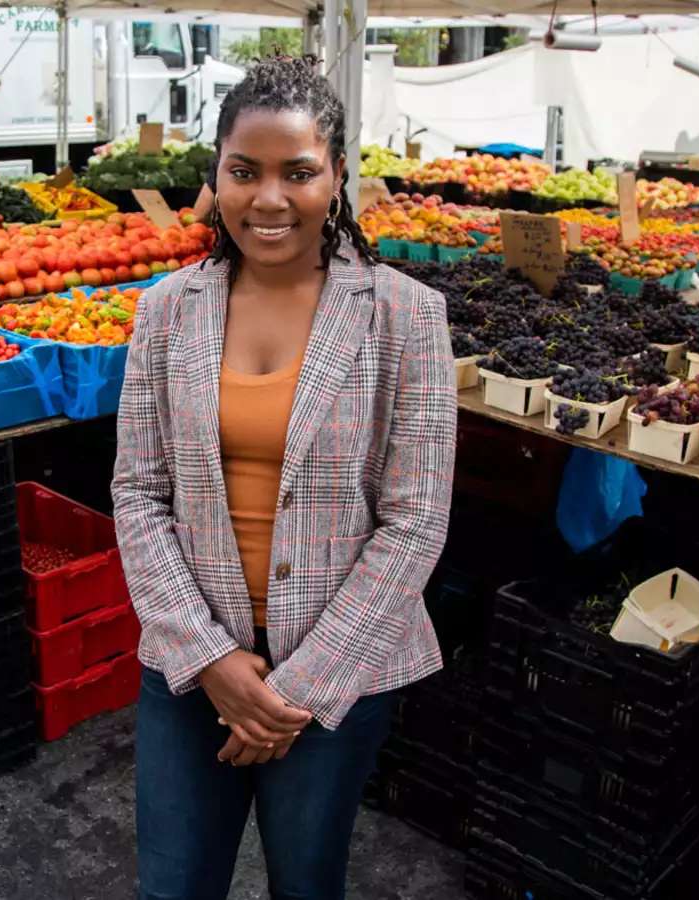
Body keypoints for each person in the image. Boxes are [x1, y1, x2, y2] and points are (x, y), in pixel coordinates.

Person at [112, 56, 456, 900]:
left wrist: (292, 693)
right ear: (216, 176)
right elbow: (137, 493)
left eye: (298, 172)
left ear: (338, 176)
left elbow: (415, 520)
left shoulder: (404, 315)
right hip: (193, 668)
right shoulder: (165, 309)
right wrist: (214, 660)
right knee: (173, 886)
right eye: (245, 171)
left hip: (333, 671)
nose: (270, 199)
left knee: (307, 883)